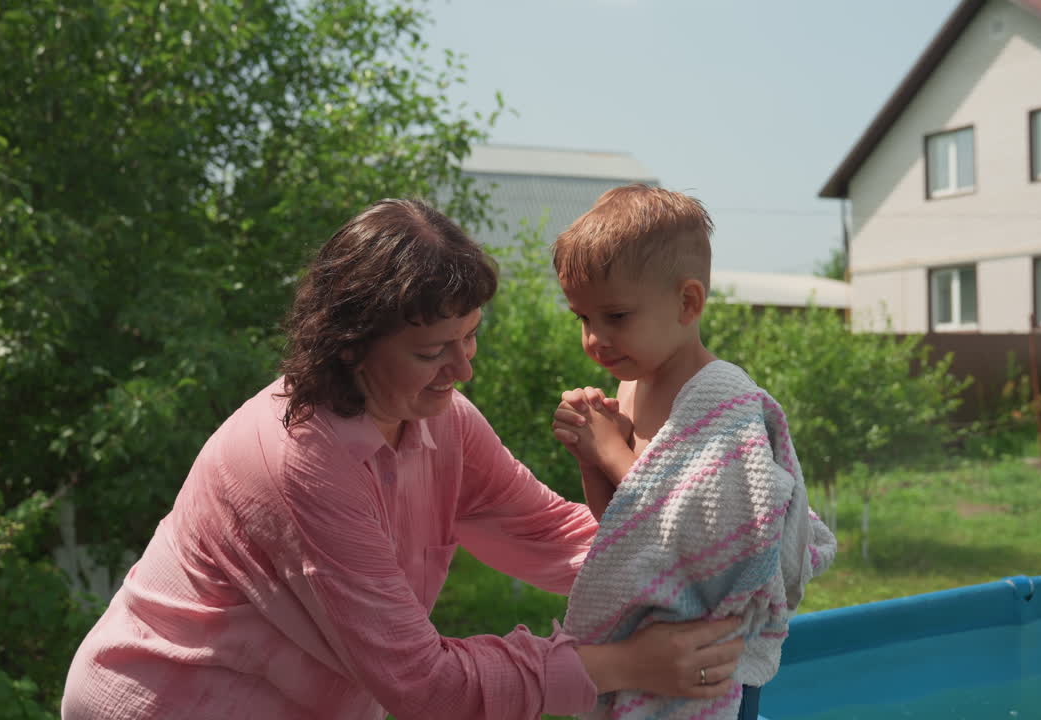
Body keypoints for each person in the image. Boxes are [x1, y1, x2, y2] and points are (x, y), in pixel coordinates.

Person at [61, 198, 747, 720]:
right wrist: (623, 664)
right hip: (165, 701)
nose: (463, 370)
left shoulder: (440, 420)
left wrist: (722, 545)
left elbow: (550, 536)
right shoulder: (299, 459)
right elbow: (421, 682)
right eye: (431, 352)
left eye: (471, 338)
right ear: (351, 344)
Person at [548, 185, 837, 720]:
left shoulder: (723, 402)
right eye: (582, 318)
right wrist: (591, 455)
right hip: (652, 646)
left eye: (615, 316)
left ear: (688, 302)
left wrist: (613, 452)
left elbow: (714, 541)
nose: (595, 339)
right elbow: (625, 527)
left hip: (712, 663)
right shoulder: (632, 387)